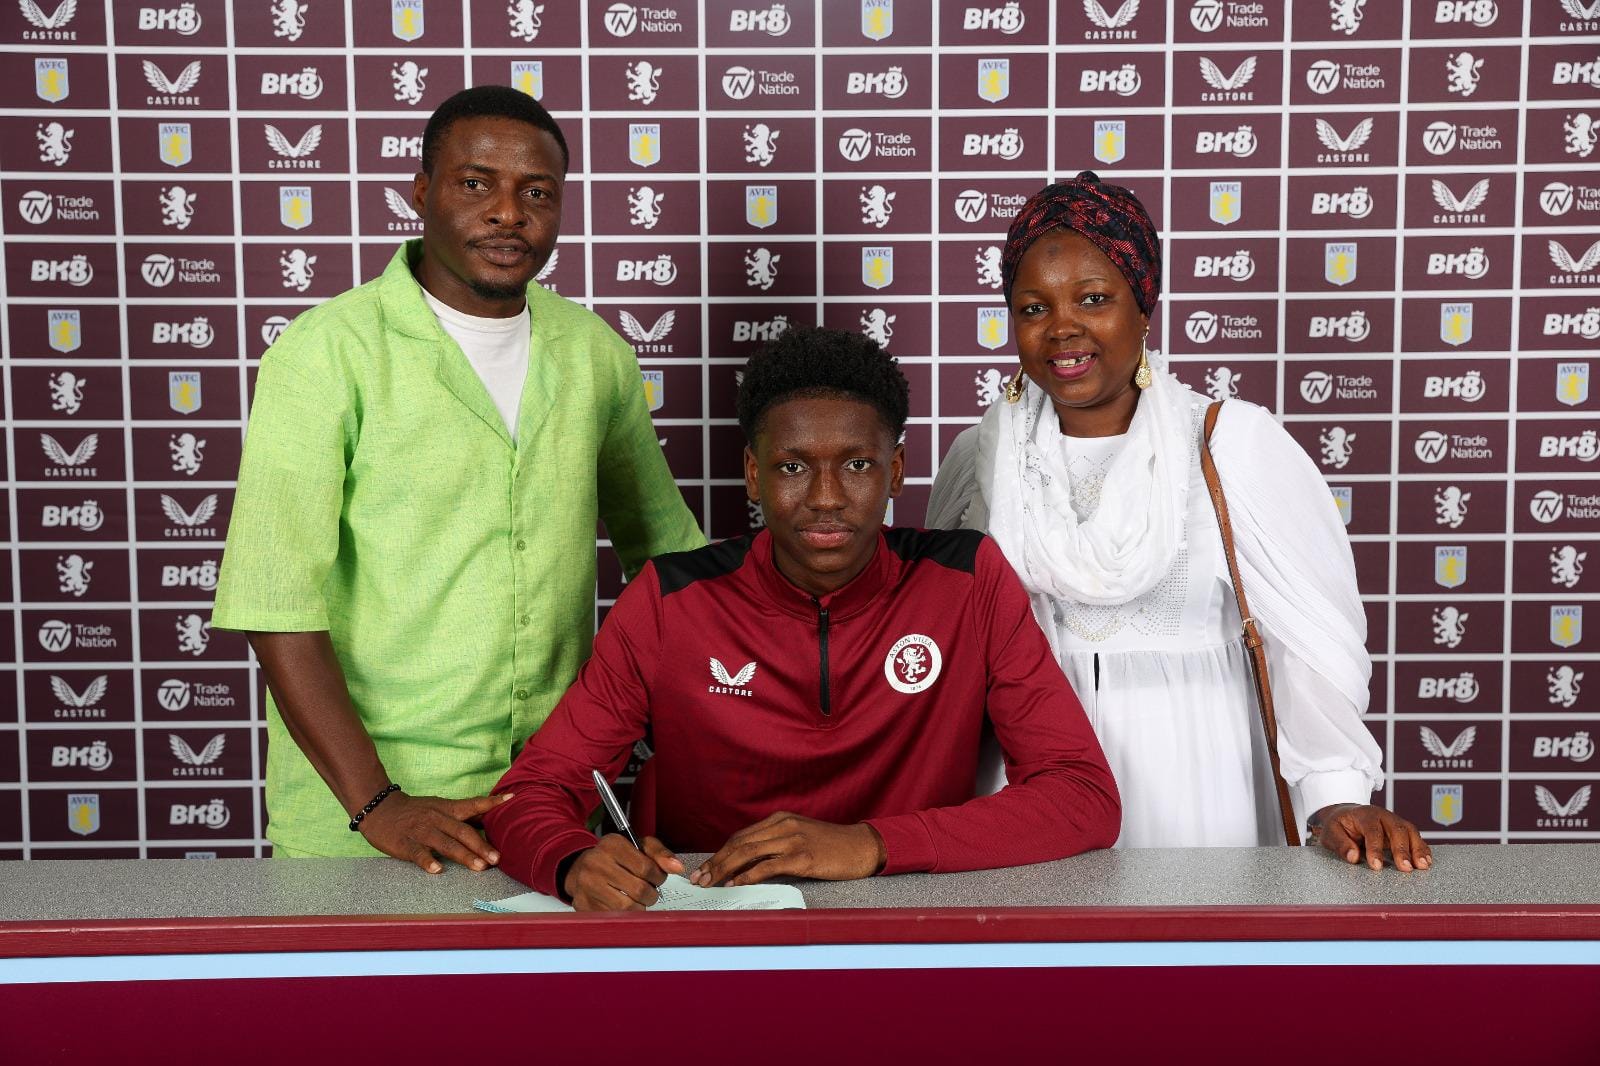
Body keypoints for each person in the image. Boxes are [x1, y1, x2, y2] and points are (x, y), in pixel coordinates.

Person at [212, 87, 704, 870]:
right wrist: (380, 806)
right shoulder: (325, 354)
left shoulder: (594, 354)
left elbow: (674, 569)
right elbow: (275, 609)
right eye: (476, 184)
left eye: (536, 193)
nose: (508, 213)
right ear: (421, 191)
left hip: (553, 811)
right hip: (367, 823)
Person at [482, 327, 1121, 909]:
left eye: (856, 464)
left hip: (904, 924)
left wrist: (869, 844)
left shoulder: (966, 581)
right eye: (793, 467)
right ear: (754, 477)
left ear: (895, 472)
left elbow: (1081, 796)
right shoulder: (670, 599)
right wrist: (571, 862)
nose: (824, 498)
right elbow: (534, 790)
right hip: (707, 929)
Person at [927, 173, 1431, 872]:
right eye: (1033, 306)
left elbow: (1310, 642)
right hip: (1024, 790)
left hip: (1200, 781)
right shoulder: (977, 459)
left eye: (1094, 299)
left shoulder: (1231, 444)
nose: (1063, 327)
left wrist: (1335, 794)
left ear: (1145, 306)